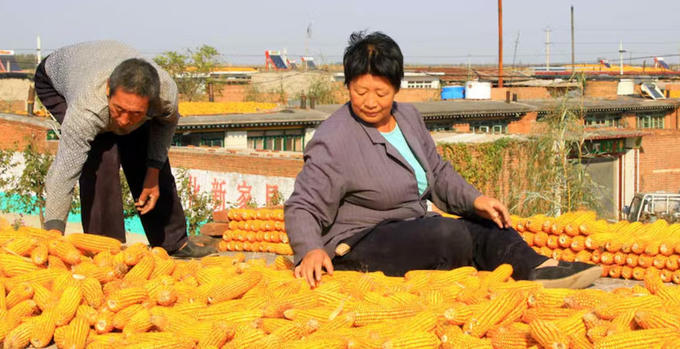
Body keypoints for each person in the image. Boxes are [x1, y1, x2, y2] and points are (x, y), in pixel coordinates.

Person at [284, 31, 602, 289]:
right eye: (359, 91)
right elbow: (303, 205)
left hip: (409, 229)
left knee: (486, 222)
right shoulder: (335, 138)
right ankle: (522, 269)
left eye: (380, 93)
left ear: (396, 88)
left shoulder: (407, 118)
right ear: (348, 86)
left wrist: (476, 200)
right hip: (359, 241)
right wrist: (309, 249)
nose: (369, 102)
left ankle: (537, 268)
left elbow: (436, 172)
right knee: (445, 235)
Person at [34, 41, 215, 258]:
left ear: (151, 103)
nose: (124, 121)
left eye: (135, 113)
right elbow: (64, 170)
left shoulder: (166, 94)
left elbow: (165, 125)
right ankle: (105, 250)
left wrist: (153, 171)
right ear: (109, 88)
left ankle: (174, 243)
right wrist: (54, 235)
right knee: (102, 155)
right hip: (57, 79)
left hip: (103, 63)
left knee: (143, 144)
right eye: (119, 110)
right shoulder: (87, 109)